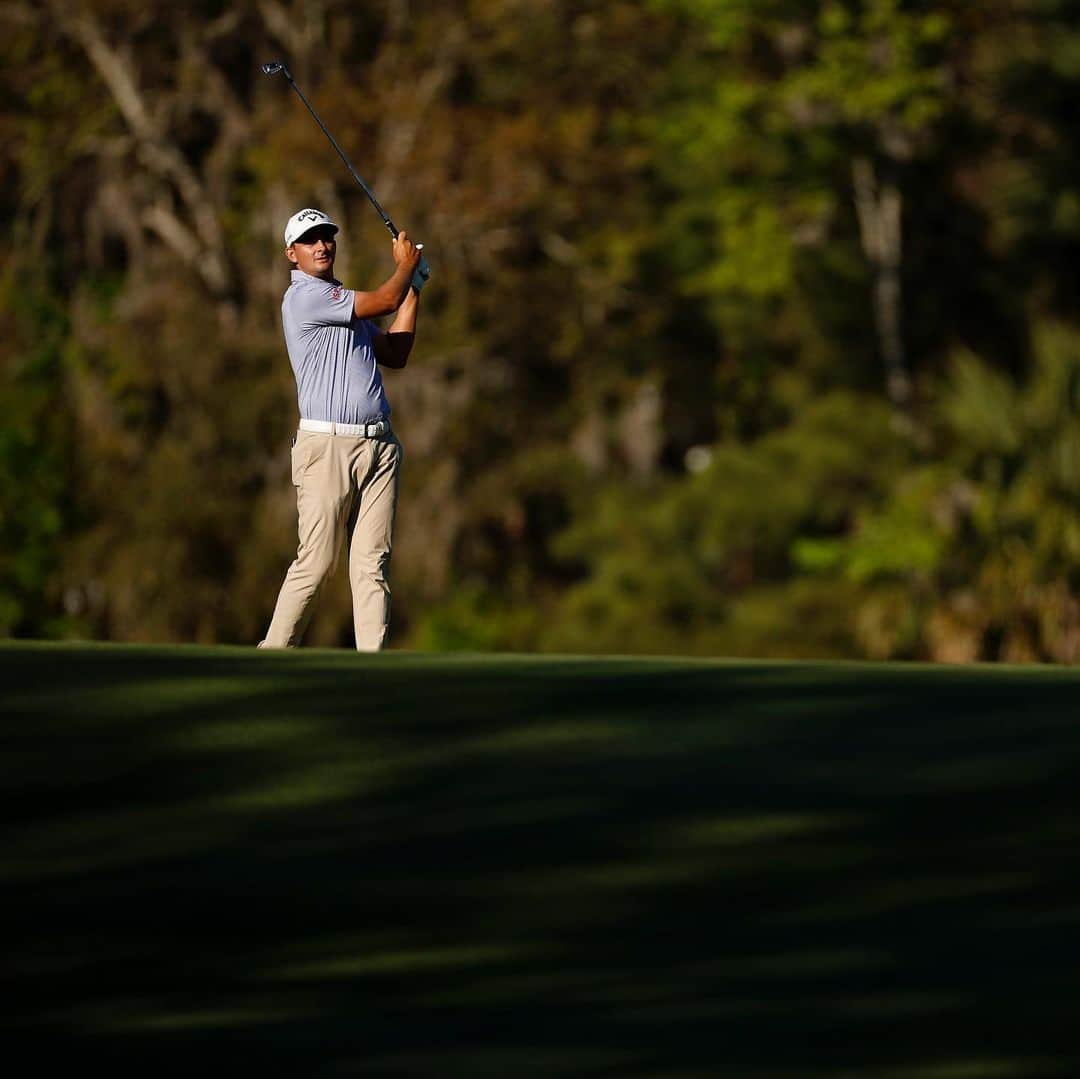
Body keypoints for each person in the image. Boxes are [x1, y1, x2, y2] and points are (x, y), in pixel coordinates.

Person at [260, 207, 423, 651]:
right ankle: (270, 656)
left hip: (379, 446)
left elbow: (395, 352)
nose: (321, 245)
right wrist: (405, 268)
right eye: (310, 240)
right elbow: (384, 299)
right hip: (327, 447)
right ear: (291, 254)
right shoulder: (305, 298)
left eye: (327, 237)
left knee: (372, 563)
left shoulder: (344, 302)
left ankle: (373, 668)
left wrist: (413, 292)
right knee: (316, 563)